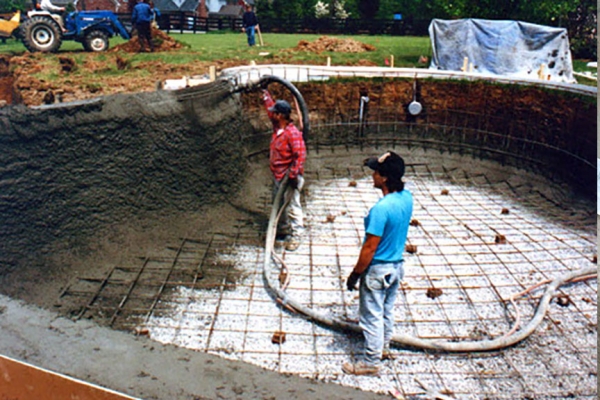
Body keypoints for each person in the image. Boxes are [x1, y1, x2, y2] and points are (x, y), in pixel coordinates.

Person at [343, 151, 413, 375]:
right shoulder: (407, 197)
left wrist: (355, 274)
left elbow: (370, 247)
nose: (372, 175)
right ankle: (383, 348)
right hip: (396, 267)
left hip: (378, 269)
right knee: (386, 311)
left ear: (383, 178)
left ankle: (371, 363)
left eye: (375, 171)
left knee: (371, 316)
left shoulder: (381, 209)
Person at [262, 89, 306, 252]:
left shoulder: (292, 133)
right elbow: (269, 110)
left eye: (275, 113)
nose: (272, 114)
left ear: (281, 115)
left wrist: (293, 175)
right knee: (277, 202)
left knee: (292, 206)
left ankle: (297, 234)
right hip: (278, 176)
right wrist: (266, 94)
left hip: (289, 177)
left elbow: (300, 155)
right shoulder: (277, 128)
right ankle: (282, 230)